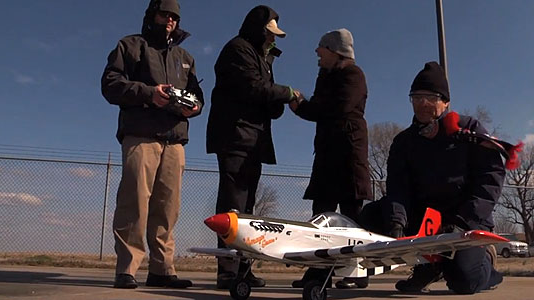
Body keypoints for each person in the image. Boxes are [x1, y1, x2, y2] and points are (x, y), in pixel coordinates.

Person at [373, 61, 505, 294]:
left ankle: (486, 261)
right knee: (371, 215)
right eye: (416, 97)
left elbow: (490, 178)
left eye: (431, 97)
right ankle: (429, 266)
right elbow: (397, 187)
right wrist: (396, 222)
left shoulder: (469, 130)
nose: (423, 103)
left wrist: (464, 221)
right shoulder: (403, 142)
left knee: (464, 282)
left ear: (445, 102)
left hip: (464, 218)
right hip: (425, 218)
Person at [101, 0, 203, 289]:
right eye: (164, 14)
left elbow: (197, 95)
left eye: (174, 17)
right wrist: (148, 93)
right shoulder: (130, 46)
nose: (169, 20)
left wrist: (194, 107)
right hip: (141, 136)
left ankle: (162, 269)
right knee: (134, 203)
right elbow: (110, 84)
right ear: (152, 15)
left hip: (174, 141)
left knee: (168, 208)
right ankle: (127, 269)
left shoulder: (185, 57)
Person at [206, 5, 298, 289]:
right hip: (235, 137)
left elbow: (263, 98)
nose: (273, 40)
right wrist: (286, 93)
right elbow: (253, 88)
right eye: (270, 34)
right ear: (258, 29)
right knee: (233, 205)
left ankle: (243, 268)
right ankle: (228, 269)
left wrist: (276, 104)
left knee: (248, 208)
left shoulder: (262, 57)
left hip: (254, 139)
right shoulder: (238, 50)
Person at [289, 28, 372, 290]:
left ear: (335, 51)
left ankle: (356, 272)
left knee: (351, 214)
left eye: (321, 47)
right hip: (326, 153)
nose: (316, 52)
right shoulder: (325, 76)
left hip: (348, 152)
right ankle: (317, 272)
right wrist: (302, 106)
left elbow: (338, 107)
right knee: (321, 214)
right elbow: (320, 108)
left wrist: (302, 106)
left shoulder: (353, 75)